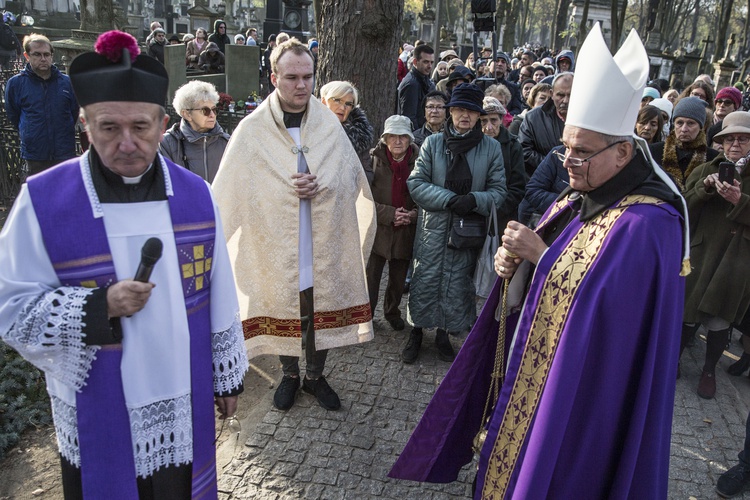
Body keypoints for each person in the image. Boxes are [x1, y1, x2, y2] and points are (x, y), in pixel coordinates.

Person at [390, 24, 688, 498]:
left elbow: (612, 315)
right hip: (536, 359)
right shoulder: (584, 190)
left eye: (581, 152)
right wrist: (517, 265)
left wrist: (540, 256)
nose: (568, 161)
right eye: (565, 146)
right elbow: (561, 251)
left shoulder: (651, 225)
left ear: (625, 152)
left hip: (584, 392)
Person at [0, 30, 247, 499]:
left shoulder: (196, 197)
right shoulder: (45, 200)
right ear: (85, 124)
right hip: (98, 402)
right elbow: (10, 306)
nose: (128, 142)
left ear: (162, 122)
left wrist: (225, 376)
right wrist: (98, 306)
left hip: (181, 391)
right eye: (109, 127)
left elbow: (220, 289)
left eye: (141, 127)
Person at [212, 38, 375, 413]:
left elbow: (351, 178)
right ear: (273, 78)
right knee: (281, 306)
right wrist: (280, 187)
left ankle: (315, 377)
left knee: (320, 309)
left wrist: (323, 184)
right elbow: (231, 190)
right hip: (273, 243)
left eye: (307, 77)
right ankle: (289, 375)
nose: (301, 85)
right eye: (291, 77)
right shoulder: (251, 131)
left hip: (322, 239)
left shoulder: (329, 126)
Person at [402, 83, 507, 364]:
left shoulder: (491, 148)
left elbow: (499, 191)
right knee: (424, 279)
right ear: (450, 112)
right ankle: (416, 333)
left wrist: (474, 199)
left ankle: (444, 334)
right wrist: (449, 199)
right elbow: (416, 183)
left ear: (478, 116)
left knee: (456, 282)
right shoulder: (433, 143)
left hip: (467, 228)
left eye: (471, 112)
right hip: (432, 228)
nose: (464, 116)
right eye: (459, 110)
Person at [680, 111, 750, 399]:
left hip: (736, 260)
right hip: (702, 251)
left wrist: (740, 201)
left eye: (743, 139)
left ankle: (709, 370)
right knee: (688, 312)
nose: (735, 144)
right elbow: (682, 208)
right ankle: (674, 358)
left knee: (720, 318)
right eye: (729, 138)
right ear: (720, 142)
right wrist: (704, 188)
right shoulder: (705, 168)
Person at [366, 115, 420, 331]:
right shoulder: (372, 159)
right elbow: (363, 198)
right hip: (378, 228)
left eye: (403, 136)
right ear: (385, 138)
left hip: (405, 228)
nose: (397, 141)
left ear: (409, 139)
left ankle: (392, 312)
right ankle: (366, 315)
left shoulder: (420, 160)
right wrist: (388, 213)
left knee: (398, 278)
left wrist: (413, 215)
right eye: (392, 136)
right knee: (371, 277)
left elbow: (425, 195)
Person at [4, 33, 79, 176]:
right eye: (37, 55)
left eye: (46, 54)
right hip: (35, 154)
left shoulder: (67, 83)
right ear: (27, 56)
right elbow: (14, 114)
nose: (43, 59)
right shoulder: (16, 84)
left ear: (52, 55)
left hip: (64, 152)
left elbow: (73, 112)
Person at [159, 81, 230, 183]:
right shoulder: (167, 144)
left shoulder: (227, 142)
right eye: (205, 110)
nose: (212, 115)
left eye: (214, 110)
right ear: (187, 114)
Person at [649, 96, 719, 190]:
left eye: (691, 123)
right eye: (679, 123)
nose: (684, 129)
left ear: (701, 127)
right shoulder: (653, 151)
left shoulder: (713, 159)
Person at [480, 96, 526, 230]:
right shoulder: (474, 145)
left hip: (504, 217)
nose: (488, 127)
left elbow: (518, 186)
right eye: (483, 121)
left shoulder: (513, 146)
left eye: (493, 120)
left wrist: (496, 211)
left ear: (501, 120)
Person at [518, 72, 573, 176]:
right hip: (545, 180)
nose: (565, 100)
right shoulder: (533, 118)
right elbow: (524, 150)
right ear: (552, 94)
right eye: (560, 95)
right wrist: (552, 166)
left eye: (570, 95)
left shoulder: (589, 117)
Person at [320, 80, 374, 176]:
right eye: (337, 100)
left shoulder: (360, 136)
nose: (342, 108)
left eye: (348, 104)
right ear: (324, 101)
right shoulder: (309, 128)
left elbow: (366, 175)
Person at [398, 44, 436, 130]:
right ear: (415, 62)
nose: (430, 66)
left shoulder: (424, 80)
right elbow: (409, 118)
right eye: (425, 62)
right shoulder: (412, 84)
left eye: (431, 62)